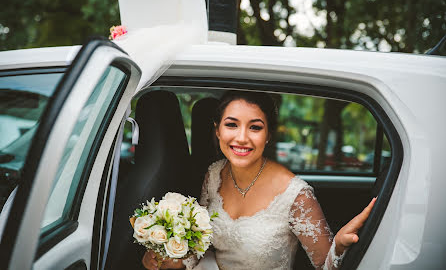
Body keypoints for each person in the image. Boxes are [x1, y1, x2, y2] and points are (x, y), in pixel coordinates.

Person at [142, 90, 376, 270]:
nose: (241, 138)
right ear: (217, 131)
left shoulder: (295, 194)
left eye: (255, 127)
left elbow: (325, 266)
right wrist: (171, 259)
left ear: (268, 136)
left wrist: (340, 246)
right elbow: (202, 244)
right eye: (231, 125)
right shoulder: (214, 174)